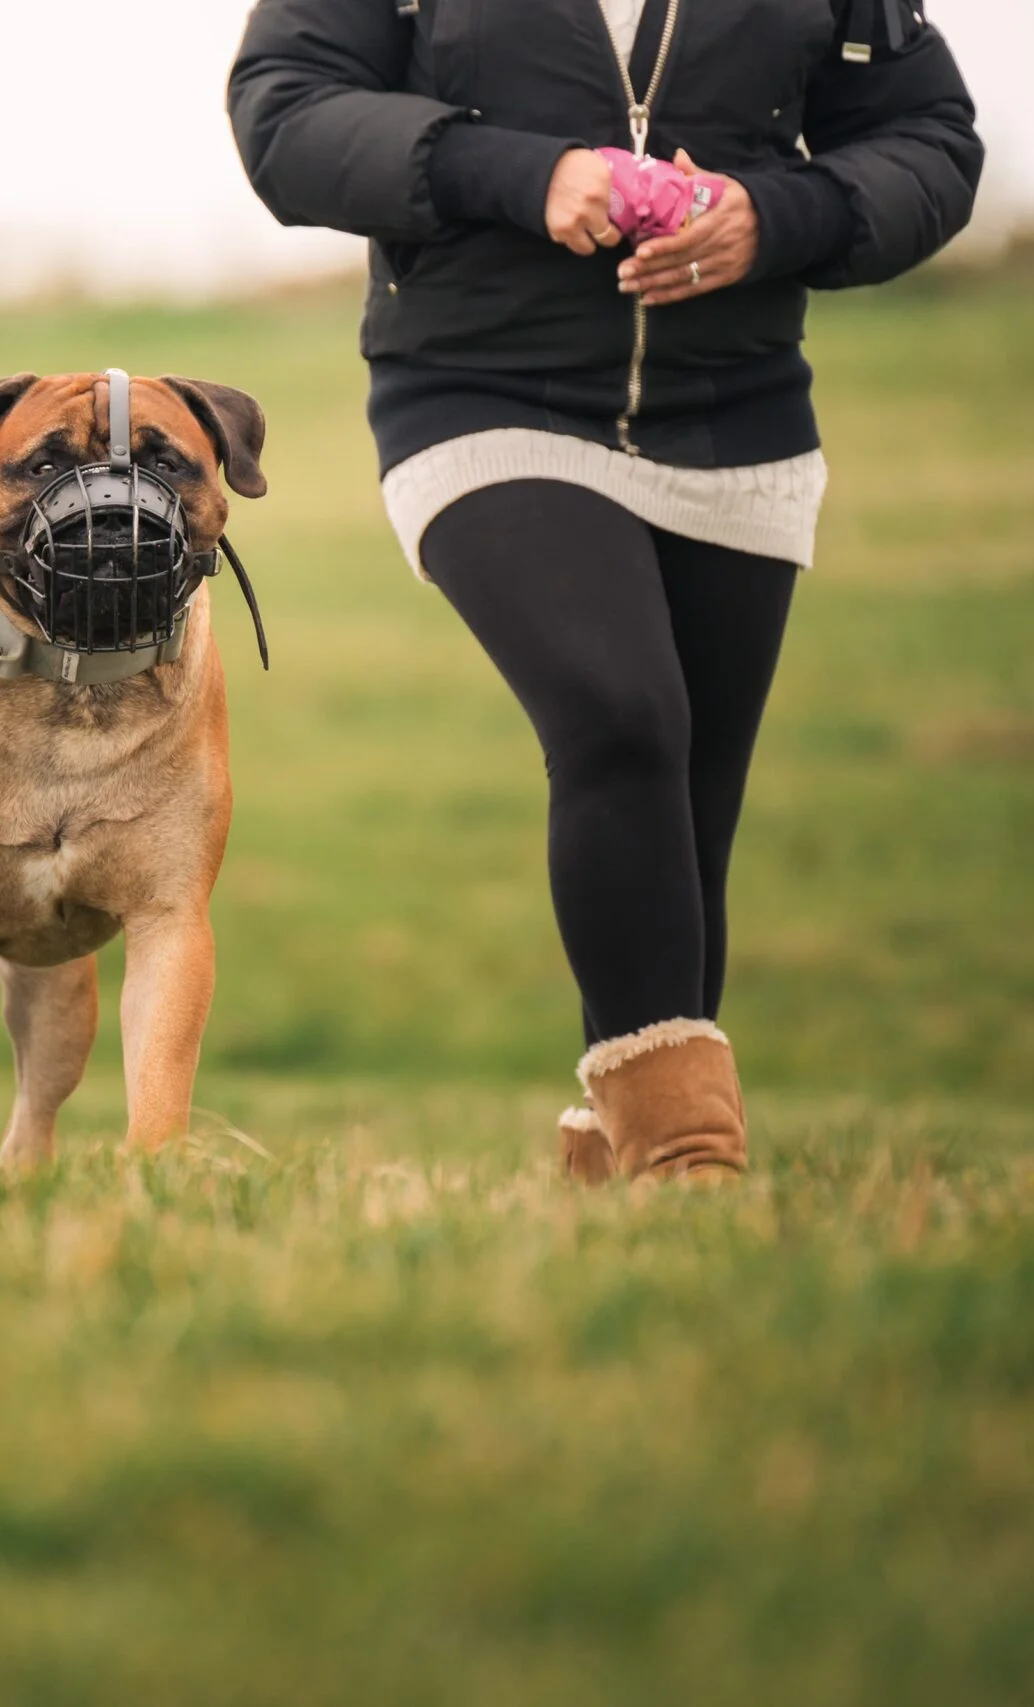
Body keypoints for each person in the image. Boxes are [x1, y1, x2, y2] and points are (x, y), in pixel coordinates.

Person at [230, 1, 981, 1180]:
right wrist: (525, 176)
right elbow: (283, 114)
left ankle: (608, 1161)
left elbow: (929, 138)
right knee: (619, 714)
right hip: (480, 392)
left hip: (737, 414)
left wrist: (774, 216)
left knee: (690, 804)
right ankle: (687, 1159)